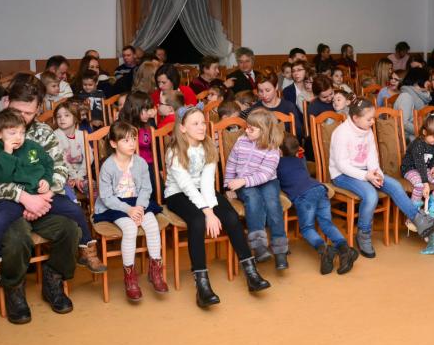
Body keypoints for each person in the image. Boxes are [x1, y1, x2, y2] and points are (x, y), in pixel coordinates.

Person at [0, 78, 85, 324]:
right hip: (1, 204)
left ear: (39, 109)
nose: (22, 118)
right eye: (17, 111)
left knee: (70, 229)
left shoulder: (44, 132)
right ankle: (14, 288)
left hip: (43, 201)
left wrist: (44, 196)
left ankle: (54, 278)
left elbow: (60, 169)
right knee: (16, 237)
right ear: (6, 102)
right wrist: (24, 198)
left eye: (29, 113)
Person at [0, 107, 103, 295]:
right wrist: (8, 152)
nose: (18, 137)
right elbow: (1, 176)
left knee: (74, 210)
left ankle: (87, 250)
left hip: (40, 195)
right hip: (13, 199)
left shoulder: (32, 146)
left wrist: (46, 181)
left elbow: (48, 164)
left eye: (21, 132)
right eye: (12, 133)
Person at [165, 107, 270, 306]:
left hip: (203, 191)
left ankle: (252, 274)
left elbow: (206, 184)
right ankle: (202, 286)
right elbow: (187, 186)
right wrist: (208, 213)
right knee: (197, 221)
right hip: (177, 193)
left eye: (203, 123)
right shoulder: (174, 151)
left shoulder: (208, 146)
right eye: (195, 123)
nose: (201, 127)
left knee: (230, 216)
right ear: (183, 128)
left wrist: (212, 210)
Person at [329, 99, 434, 257]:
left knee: (395, 186)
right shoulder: (341, 133)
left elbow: (372, 156)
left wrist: (377, 173)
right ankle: (363, 234)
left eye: (373, 118)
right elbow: (342, 164)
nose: (373, 122)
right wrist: (366, 176)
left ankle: (420, 221)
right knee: (371, 195)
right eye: (369, 119)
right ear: (355, 118)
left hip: (366, 172)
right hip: (343, 175)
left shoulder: (367, 130)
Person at [92, 121, 167, 301]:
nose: (132, 143)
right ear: (113, 143)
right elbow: (106, 196)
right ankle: (130, 277)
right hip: (115, 205)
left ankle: (155, 271)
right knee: (130, 228)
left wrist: (139, 207)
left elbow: (146, 189)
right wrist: (129, 210)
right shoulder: (108, 166)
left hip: (138, 201)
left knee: (152, 225)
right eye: (126, 140)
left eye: (133, 139)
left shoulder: (140, 162)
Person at [278, 133, 358, 275]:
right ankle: (345, 250)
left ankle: (325, 250)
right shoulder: (300, 160)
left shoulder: (276, 164)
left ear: (279, 151)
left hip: (303, 196)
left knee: (307, 228)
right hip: (320, 189)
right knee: (327, 223)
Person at [224, 108, 289, 269]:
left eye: (251, 129)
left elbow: (264, 175)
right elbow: (231, 163)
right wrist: (228, 185)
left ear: (264, 131)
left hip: (266, 181)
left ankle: (280, 250)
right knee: (253, 200)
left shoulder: (273, 149)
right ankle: (259, 246)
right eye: (247, 127)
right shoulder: (241, 141)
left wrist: (243, 181)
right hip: (242, 182)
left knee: (273, 204)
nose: (246, 131)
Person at [401, 113, 434, 211]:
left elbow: (433, 157)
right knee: (420, 185)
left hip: (424, 169)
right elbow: (420, 165)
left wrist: (433, 167)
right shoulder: (418, 144)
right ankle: (413, 213)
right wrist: (425, 183)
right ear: (424, 132)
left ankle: (431, 208)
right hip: (410, 169)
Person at [117, 91, 158, 189]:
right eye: (146, 109)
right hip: (131, 167)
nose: (149, 113)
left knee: (155, 189)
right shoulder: (124, 127)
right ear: (134, 109)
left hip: (150, 165)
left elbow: (157, 147)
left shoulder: (149, 124)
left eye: (150, 109)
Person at [53, 101, 88, 204]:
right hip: (64, 174)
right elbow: (61, 159)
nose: (62, 118)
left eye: (66, 115)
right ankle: (75, 206)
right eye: (58, 116)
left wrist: (80, 176)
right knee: (64, 189)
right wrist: (73, 176)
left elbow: (88, 157)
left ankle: (96, 210)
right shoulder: (55, 136)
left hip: (82, 174)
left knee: (93, 186)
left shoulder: (82, 135)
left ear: (75, 118)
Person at [256, 72, 304, 142]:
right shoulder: (255, 109)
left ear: (276, 87)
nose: (264, 95)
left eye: (267, 90)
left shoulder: (289, 106)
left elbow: (298, 133)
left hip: (287, 145)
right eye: (260, 91)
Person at [394, 67, 432, 143]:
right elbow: (403, 123)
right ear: (419, 81)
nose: (429, 83)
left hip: (418, 135)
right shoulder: (406, 96)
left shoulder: (421, 95)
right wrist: (422, 131)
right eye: (427, 80)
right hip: (407, 138)